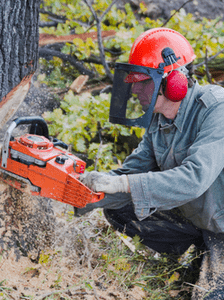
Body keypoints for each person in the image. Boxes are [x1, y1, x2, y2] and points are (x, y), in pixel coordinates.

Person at [77, 27, 224, 299]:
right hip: (203, 218)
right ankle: (198, 249)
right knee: (121, 207)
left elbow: (194, 179)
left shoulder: (217, 110)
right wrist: (82, 194)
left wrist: (123, 183)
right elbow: (131, 172)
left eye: (142, 81)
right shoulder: (159, 120)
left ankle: (210, 256)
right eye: (132, 81)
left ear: (173, 81)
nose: (134, 90)